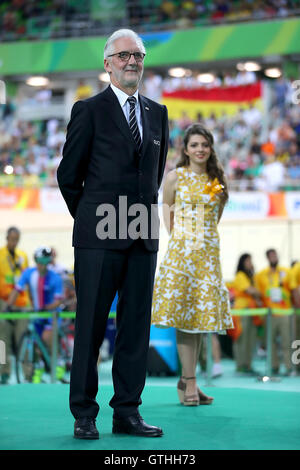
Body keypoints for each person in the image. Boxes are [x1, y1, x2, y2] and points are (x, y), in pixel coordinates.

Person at [57, 29, 169, 439]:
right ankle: (84, 413)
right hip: (98, 237)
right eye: (123, 55)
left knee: (136, 328)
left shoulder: (158, 113)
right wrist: (91, 217)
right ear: (107, 64)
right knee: (89, 327)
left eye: (137, 55)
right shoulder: (87, 110)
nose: (131, 61)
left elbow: (153, 177)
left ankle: (127, 412)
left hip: (142, 234)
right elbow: (69, 176)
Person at [151, 124, 233, 406]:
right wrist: (184, 244)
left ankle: (188, 380)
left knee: (199, 322)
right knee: (185, 321)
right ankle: (190, 382)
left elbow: (215, 217)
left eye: (205, 145)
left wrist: (202, 243)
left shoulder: (216, 181)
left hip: (209, 258)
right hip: (182, 257)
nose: (200, 149)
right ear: (185, 149)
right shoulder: (175, 177)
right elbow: (167, 215)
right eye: (195, 145)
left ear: (210, 149)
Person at [6, 246, 64, 383]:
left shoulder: (55, 278)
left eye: (45, 261)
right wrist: (8, 306)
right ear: (36, 261)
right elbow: (16, 290)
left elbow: (58, 302)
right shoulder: (28, 274)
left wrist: (45, 308)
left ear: (49, 262)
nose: (42, 265)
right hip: (38, 315)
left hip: (51, 316)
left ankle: (59, 365)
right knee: (35, 342)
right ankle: (39, 368)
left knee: (46, 338)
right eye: (39, 261)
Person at [256, 249, 292, 375]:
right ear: (267, 258)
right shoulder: (261, 275)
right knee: (270, 343)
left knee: (287, 341)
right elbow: (258, 293)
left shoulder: (286, 272)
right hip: (270, 314)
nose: (273, 257)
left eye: (275, 255)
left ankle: (289, 367)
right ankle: (274, 366)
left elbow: (292, 289)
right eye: (270, 256)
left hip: (285, 312)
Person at [0, 227, 29, 385]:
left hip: (21, 302)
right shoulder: (0, 255)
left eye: (16, 239)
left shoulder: (23, 257)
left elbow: (26, 278)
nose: (14, 242)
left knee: (24, 339)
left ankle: (28, 373)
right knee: (2, 340)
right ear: (7, 238)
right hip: (4, 303)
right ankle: (3, 372)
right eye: (12, 238)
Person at [231, 253, 263, 375]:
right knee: (241, 338)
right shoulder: (240, 276)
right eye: (247, 261)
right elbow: (250, 291)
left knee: (251, 339)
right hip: (242, 312)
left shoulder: (252, 278)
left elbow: (257, 292)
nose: (250, 263)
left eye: (251, 260)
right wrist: (257, 292)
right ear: (242, 263)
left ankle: (248, 364)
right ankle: (240, 365)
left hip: (252, 312)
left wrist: (257, 292)